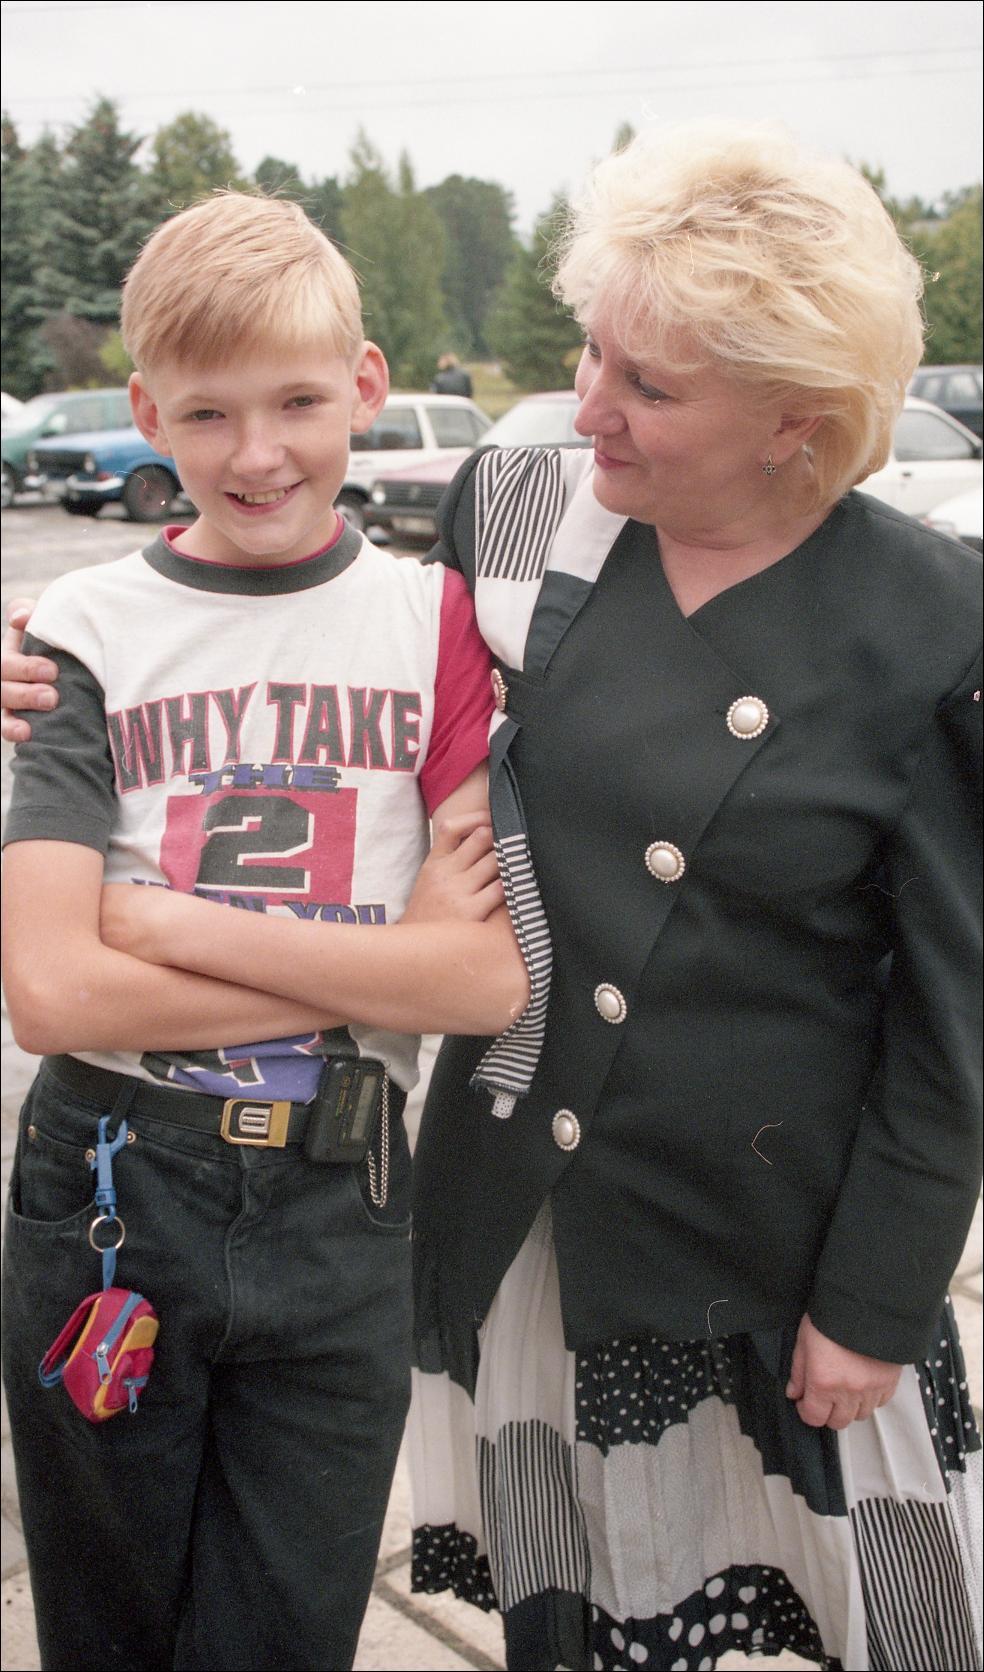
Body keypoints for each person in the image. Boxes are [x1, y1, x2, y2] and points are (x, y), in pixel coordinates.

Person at [5, 122, 982, 1672]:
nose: (586, 406)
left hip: (771, 1224)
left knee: (857, 1611)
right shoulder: (523, 510)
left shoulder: (933, 624)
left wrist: (880, 1292)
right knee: (566, 1606)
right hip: (530, 1202)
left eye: (648, 384)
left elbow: (953, 1020)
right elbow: (292, 619)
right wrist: (58, 659)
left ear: (795, 416)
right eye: (592, 351)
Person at [0, 190, 527, 1672]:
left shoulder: (435, 621)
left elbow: (484, 977)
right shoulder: (86, 631)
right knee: (109, 1628)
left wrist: (159, 925)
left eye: (298, 401)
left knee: (286, 1629)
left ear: (364, 384)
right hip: (114, 1182)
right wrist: (377, 973)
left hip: (343, 1197)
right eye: (208, 414)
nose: (257, 455)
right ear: (146, 411)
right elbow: (51, 995)